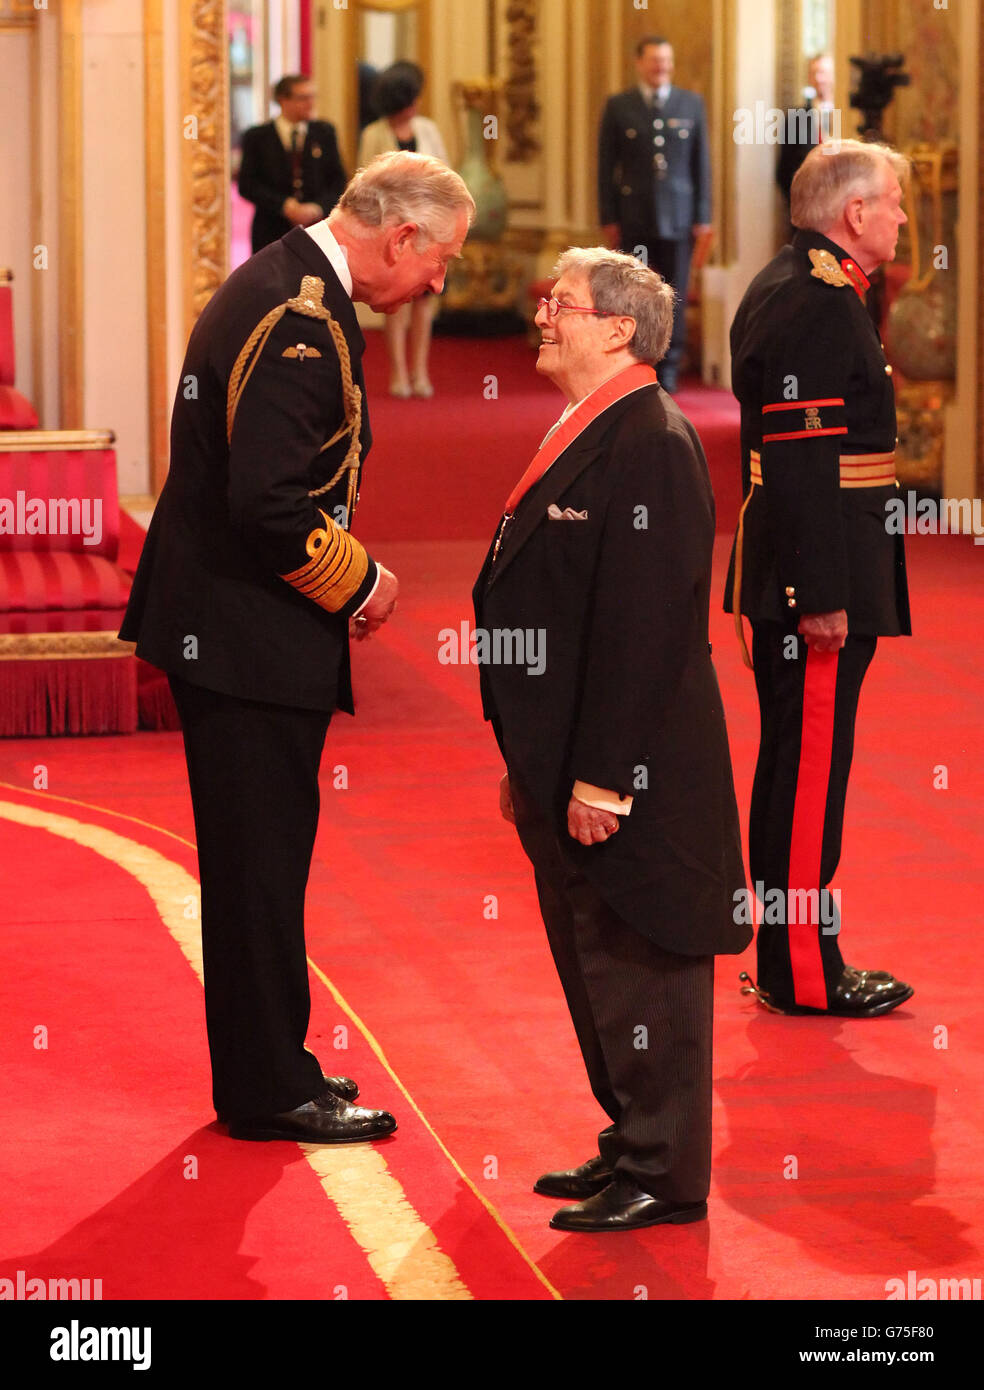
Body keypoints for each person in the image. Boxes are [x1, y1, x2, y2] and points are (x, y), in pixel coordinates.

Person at [121, 152, 474, 1143]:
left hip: (236, 624)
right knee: (259, 869)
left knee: (257, 865)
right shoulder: (302, 324)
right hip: (245, 634)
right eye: (439, 258)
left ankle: (273, 1066)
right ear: (400, 236)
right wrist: (359, 580)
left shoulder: (291, 279)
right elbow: (270, 504)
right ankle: (270, 1087)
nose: (439, 280)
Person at [473, 248, 750, 1232]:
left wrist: (602, 777)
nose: (542, 313)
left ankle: (665, 1168)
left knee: (643, 957)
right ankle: (631, 1135)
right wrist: (529, 759)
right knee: (596, 956)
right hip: (566, 757)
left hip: (631, 772)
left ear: (620, 328)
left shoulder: (652, 441)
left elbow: (643, 627)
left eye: (563, 303)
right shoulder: (595, 423)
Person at [724, 139, 914, 1018]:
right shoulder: (814, 300)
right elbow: (801, 463)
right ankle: (803, 969)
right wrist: (819, 594)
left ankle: (791, 954)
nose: (904, 217)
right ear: (854, 215)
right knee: (806, 777)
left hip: (814, 561)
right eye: (895, 202)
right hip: (820, 574)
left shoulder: (805, 285)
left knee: (798, 766)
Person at [598, 36, 711, 394]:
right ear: (639, 63)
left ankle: (671, 365)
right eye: (654, 60)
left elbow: (701, 165)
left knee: (674, 290)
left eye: (666, 60)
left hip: (678, 217)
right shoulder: (619, 106)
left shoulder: (691, 103)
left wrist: (702, 215)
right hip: (635, 215)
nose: (661, 66)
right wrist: (608, 216)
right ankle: (633, 361)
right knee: (633, 292)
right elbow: (605, 167)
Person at [358, 63, 450, 398]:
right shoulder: (373, 133)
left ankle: (420, 371)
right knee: (396, 303)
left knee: (425, 302)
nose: (416, 105)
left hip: (427, 230)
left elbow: (445, 176)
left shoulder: (428, 129)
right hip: (391, 230)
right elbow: (365, 185)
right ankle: (398, 372)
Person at [238, 74, 347, 255]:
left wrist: (317, 207)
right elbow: (247, 185)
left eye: (312, 97)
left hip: (317, 230)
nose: (310, 103)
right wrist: (284, 205)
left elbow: (338, 179)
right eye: (303, 98)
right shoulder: (257, 137)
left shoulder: (324, 132)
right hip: (270, 231)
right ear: (283, 100)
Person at [777, 54, 837, 205]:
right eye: (814, 73)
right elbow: (783, 172)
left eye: (823, 73)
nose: (819, 79)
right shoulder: (795, 118)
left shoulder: (849, 116)